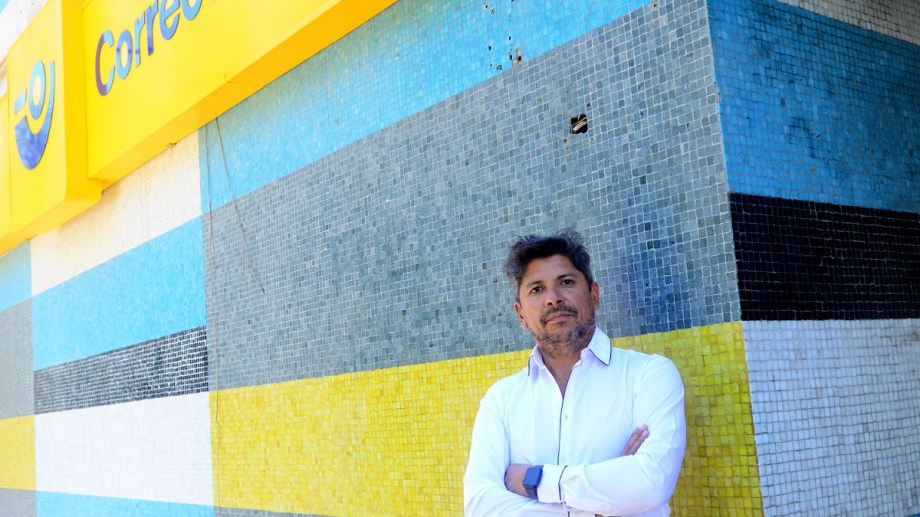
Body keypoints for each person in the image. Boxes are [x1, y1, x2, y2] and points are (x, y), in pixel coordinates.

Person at [464, 229, 686, 516]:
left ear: (594, 295)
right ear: (521, 315)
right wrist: (603, 501)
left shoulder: (649, 375)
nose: (553, 298)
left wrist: (536, 481)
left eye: (566, 282)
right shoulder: (501, 400)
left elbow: (651, 483)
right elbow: (480, 506)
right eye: (537, 289)